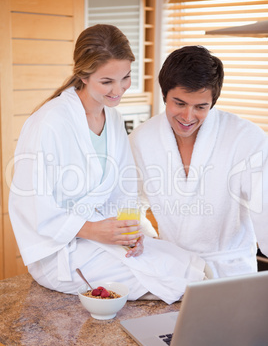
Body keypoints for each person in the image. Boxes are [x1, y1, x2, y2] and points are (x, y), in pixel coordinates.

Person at [9, 25, 207, 304]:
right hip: (59, 249)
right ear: (83, 75)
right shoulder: (49, 123)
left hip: (100, 239)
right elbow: (32, 205)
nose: (119, 90)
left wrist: (128, 231)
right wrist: (93, 230)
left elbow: (123, 188)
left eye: (125, 77)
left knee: (189, 266)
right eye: (107, 82)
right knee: (174, 285)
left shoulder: (112, 119)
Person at [129, 45, 268, 279]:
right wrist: (145, 240)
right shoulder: (142, 139)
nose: (188, 116)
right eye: (180, 103)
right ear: (164, 95)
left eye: (200, 107)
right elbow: (129, 201)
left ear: (212, 102)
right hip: (172, 271)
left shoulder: (246, 139)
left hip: (231, 275)